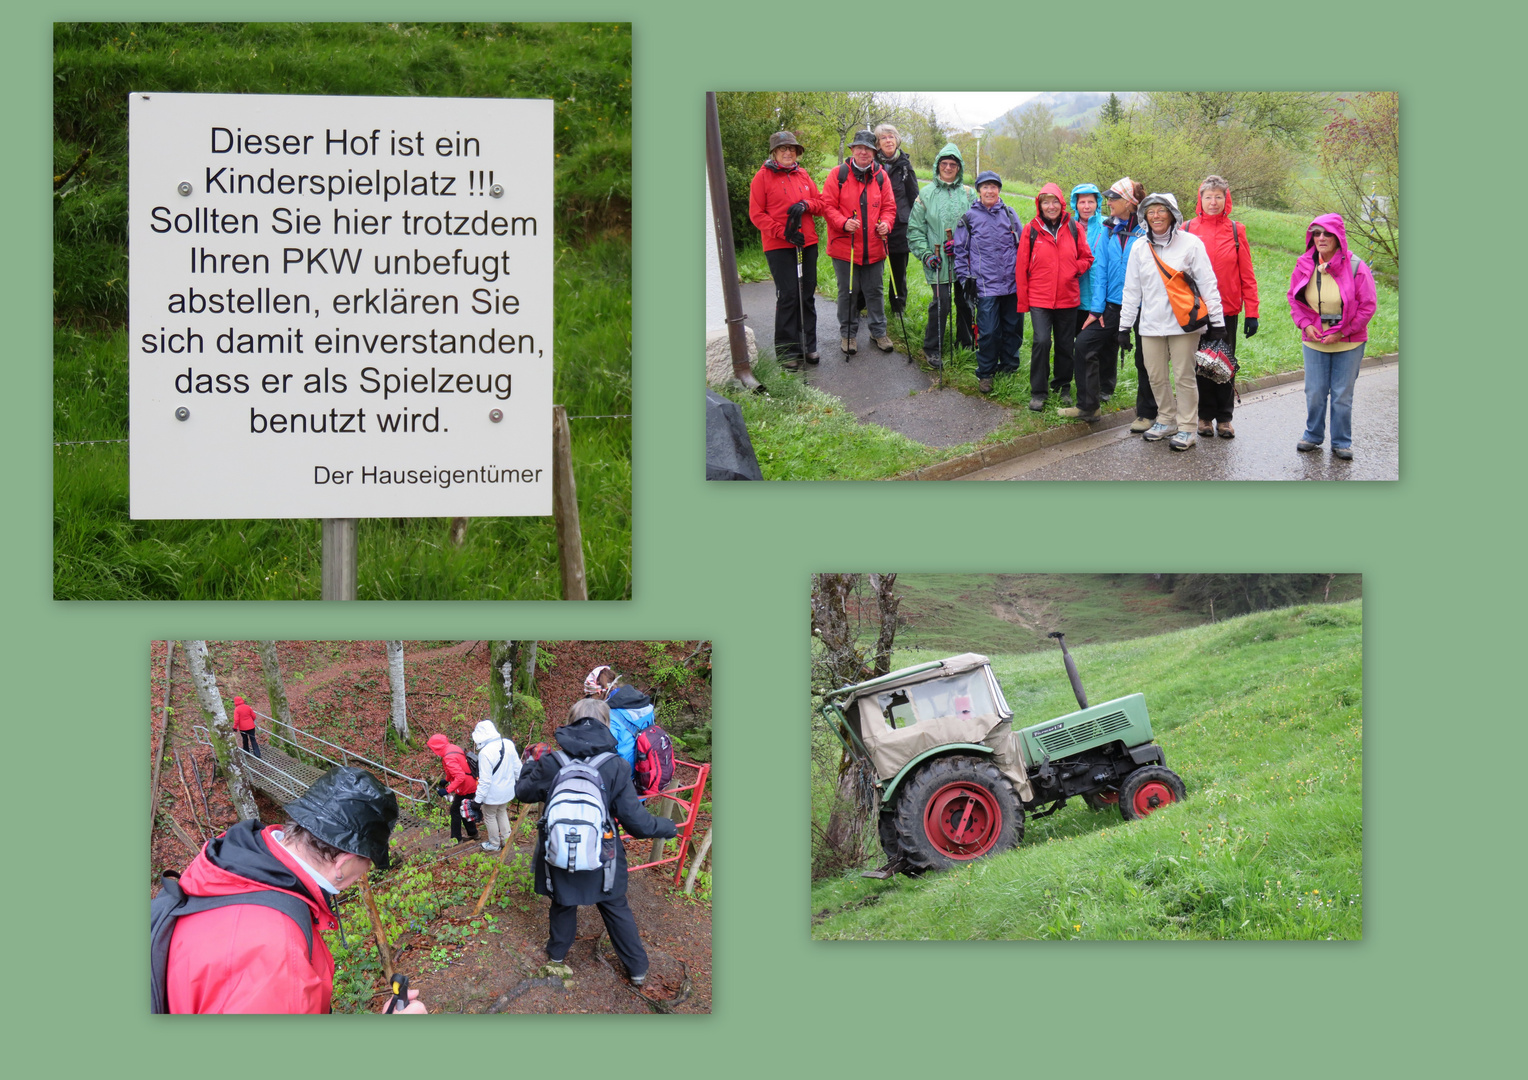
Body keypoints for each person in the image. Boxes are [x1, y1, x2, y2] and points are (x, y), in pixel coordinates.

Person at [160, 765, 426, 1013]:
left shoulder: (232, 867)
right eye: (367, 863)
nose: (364, 874)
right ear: (343, 863)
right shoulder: (280, 960)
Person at [515, 697, 678, 986]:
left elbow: (523, 792)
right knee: (615, 907)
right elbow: (637, 823)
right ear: (606, 723)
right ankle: (637, 969)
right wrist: (667, 827)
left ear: (571, 720)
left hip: (559, 852)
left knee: (563, 903)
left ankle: (557, 957)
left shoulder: (553, 762)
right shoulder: (614, 765)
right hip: (604, 856)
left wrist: (530, 765)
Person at [1118, 192, 1225, 451]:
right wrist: (1124, 326)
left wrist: (1218, 321)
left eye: (1161, 211)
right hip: (1151, 323)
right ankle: (1167, 420)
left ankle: (1187, 427)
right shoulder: (1139, 247)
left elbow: (1208, 283)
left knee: (1183, 375)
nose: (1156, 216)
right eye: (1150, 212)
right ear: (1144, 217)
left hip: (1184, 323)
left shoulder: (1191, 244)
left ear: (1172, 214)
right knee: (1155, 375)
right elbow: (1131, 290)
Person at [1287, 213, 1377, 460]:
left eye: (1327, 233)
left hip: (1349, 341)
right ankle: (1313, 436)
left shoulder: (1357, 267)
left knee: (1341, 395)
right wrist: (1305, 325)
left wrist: (1342, 332)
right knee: (1315, 392)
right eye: (1316, 233)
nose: (1321, 238)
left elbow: (1367, 306)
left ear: (1339, 238)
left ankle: (1341, 442)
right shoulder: (1304, 263)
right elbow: (1293, 299)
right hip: (1315, 339)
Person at [1184, 175, 1260, 438]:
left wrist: (1252, 312)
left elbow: (1247, 275)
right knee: (1201, 363)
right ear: (1200, 200)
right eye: (1208, 197)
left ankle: (1225, 418)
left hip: (1227, 310)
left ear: (1226, 199)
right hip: (1196, 310)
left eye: (1218, 196)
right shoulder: (1188, 228)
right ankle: (1204, 417)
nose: (1213, 202)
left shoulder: (1237, 230)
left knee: (1224, 363)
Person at [748, 130, 823, 371]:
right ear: (774, 152)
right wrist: (784, 232)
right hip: (780, 246)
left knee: (807, 294)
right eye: (783, 149)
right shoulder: (762, 178)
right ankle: (787, 350)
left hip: (807, 243)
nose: (788, 152)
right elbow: (756, 215)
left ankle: (807, 344)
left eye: (792, 149)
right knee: (789, 294)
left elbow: (820, 203)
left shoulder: (803, 174)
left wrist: (806, 204)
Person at [1015, 183, 1093, 412]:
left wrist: (1073, 269)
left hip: (1068, 298)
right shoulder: (1031, 229)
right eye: (1046, 202)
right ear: (1039, 205)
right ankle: (1038, 391)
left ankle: (1062, 386)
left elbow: (1087, 258)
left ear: (1062, 203)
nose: (1051, 206)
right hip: (1039, 298)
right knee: (1041, 341)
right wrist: (1023, 301)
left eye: (1055, 201)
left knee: (1065, 344)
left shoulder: (1074, 227)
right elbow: (1021, 267)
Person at [821, 130, 898, 356]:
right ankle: (848, 334)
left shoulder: (881, 176)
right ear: (853, 150)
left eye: (868, 149)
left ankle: (878, 332)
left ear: (875, 152)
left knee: (875, 291)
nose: (864, 152)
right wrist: (843, 223)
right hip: (846, 248)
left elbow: (889, 208)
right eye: (859, 148)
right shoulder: (838, 175)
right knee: (848, 292)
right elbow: (827, 206)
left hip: (875, 246)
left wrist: (886, 223)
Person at [1086, 178, 1154, 431]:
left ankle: (1147, 414)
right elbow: (1100, 268)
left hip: (1145, 306)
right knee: (1084, 344)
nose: (1109, 202)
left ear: (1129, 202)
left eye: (1114, 198)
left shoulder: (1148, 230)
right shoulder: (1109, 228)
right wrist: (1097, 308)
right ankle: (1088, 405)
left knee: (1145, 360)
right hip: (1114, 303)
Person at [953, 171, 1024, 394]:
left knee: (1013, 328)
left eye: (994, 187)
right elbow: (960, 251)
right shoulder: (969, 218)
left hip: (1012, 284)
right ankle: (986, 372)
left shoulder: (1010, 214)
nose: (990, 191)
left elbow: (1023, 248)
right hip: (985, 286)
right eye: (985, 187)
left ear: (999, 190)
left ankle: (1009, 367)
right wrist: (965, 280)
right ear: (979, 191)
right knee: (989, 331)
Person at [906, 143, 975, 369]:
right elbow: (915, 230)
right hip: (937, 260)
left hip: (964, 260)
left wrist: (962, 244)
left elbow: (978, 227)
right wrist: (926, 255)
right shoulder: (925, 194)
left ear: (959, 167)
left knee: (965, 301)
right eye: (944, 164)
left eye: (952, 164)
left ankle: (965, 343)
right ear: (937, 165)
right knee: (941, 303)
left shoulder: (968, 193)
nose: (948, 168)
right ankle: (932, 348)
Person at [1063, 182, 1111, 421]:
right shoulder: (1068, 225)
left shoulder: (1105, 225)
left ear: (1097, 203)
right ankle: (1076, 385)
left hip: (1099, 295)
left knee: (1101, 345)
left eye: (1090, 201)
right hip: (1075, 294)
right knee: (1078, 344)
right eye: (1081, 201)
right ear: (1075, 203)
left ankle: (1105, 388)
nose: (1086, 206)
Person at [874, 124, 922, 331]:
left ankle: (898, 306)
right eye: (883, 137)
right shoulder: (871, 163)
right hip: (875, 223)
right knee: (871, 268)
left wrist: (916, 222)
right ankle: (864, 304)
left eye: (891, 136)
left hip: (901, 223)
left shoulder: (905, 165)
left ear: (897, 140)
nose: (888, 140)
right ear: (877, 143)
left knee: (898, 269)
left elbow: (914, 195)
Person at [583, 665, 656, 773]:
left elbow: (602, 752)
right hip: (645, 769)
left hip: (622, 775)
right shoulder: (644, 705)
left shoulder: (611, 717)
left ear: (598, 693)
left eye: (590, 696)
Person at [470, 719, 521, 852]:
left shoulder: (485, 753)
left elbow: (485, 781)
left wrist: (478, 800)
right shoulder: (508, 744)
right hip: (508, 791)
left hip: (492, 794)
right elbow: (517, 767)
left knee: (490, 816)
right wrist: (521, 782)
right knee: (502, 811)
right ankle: (507, 840)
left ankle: (494, 843)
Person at [426, 732, 479, 844]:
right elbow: (456, 769)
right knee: (464, 808)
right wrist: (447, 779)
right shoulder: (453, 748)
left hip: (466, 786)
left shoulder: (448, 756)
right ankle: (473, 833)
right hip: (471, 782)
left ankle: (456, 839)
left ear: (437, 747)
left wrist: (447, 790)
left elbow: (460, 776)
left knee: (455, 810)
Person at [232, 694, 261, 759]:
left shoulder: (237, 709)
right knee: (253, 739)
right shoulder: (248, 707)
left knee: (245, 739)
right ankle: (257, 753)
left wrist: (234, 727)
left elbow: (236, 720)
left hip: (243, 728)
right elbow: (254, 716)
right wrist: (251, 721)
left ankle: (246, 751)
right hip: (251, 726)